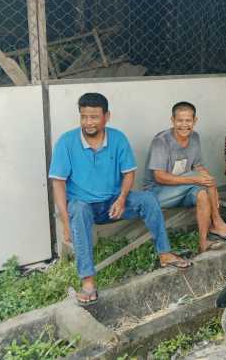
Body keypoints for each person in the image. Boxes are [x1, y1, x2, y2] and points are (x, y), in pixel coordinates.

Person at [49, 93, 190, 306]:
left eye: (94, 117)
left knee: (148, 199)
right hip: (84, 206)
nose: (88, 122)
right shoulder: (67, 142)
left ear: (107, 116)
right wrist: (65, 222)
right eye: (84, 117)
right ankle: (88, 281)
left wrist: (122, 198)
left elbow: (128, 174)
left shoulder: (117, 138)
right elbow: (58, 183)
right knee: (77, 209)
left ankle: (165, 253)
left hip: (115, 204)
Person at [143, 101, 226, 251]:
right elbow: (159, 177)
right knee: (200, 179)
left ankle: (203, 243)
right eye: (179, 120)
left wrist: (208, 179)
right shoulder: (161, 141)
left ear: (195, 121)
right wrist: (195, 178)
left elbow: (198, 166)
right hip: (157, 192)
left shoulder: (195, 138)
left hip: (183, 189)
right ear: (172, 120)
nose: (184, 125)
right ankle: (218, 222)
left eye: (188, 120)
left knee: (202, 193)